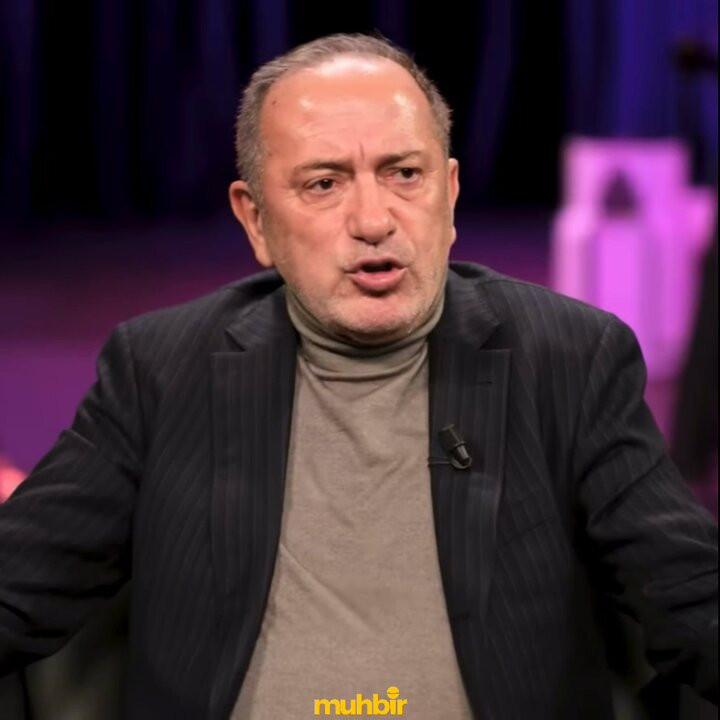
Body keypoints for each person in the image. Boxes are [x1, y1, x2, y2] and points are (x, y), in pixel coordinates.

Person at [0, 33, 717, 720]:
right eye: (324, 183)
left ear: (450, 194)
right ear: (255, 220)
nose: (374, 220)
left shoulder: (568, 358)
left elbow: (691, 596)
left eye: (405, 174)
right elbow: (18, 589)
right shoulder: (160, 370)